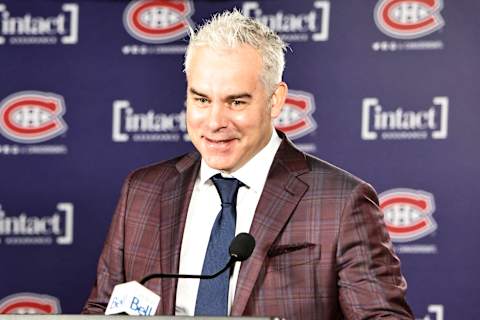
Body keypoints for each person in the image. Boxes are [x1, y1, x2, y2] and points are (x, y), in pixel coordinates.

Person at [82, 10, 413, 319]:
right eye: (201, 100)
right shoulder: (143, 192)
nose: (214, 122)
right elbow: (103, 309)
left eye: (236, 102)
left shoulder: (341, 203)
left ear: (275, 100)